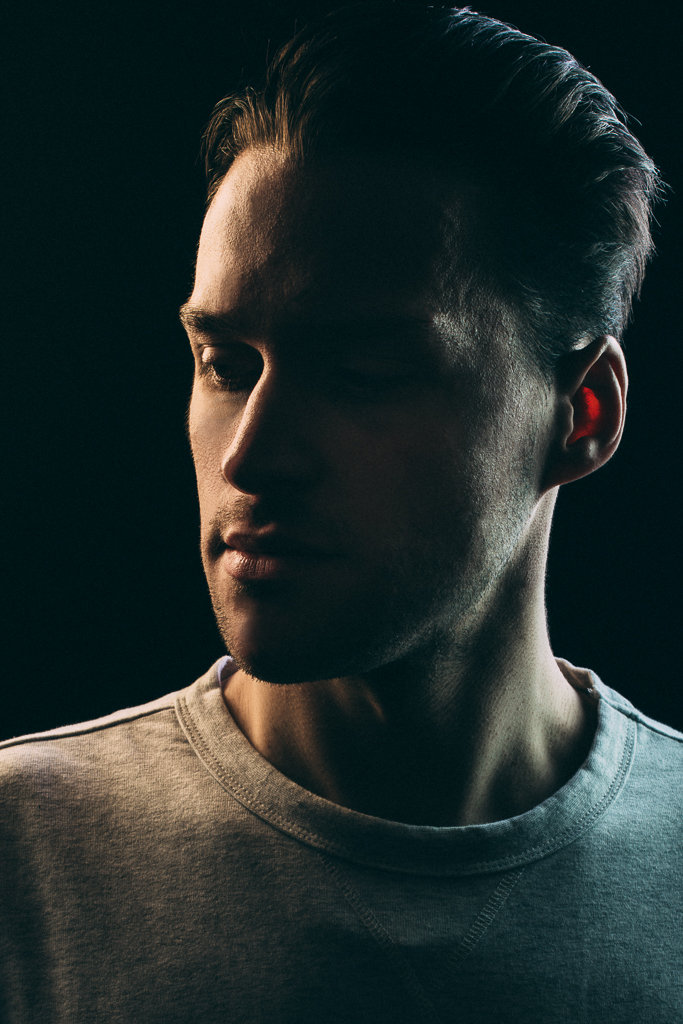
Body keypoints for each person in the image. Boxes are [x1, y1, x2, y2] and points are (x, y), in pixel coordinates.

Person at [1, 4, 680, 1022]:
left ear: (580, 414)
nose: (251, 455)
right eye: (225, 364)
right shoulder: (24, 864)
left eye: (361, 374)